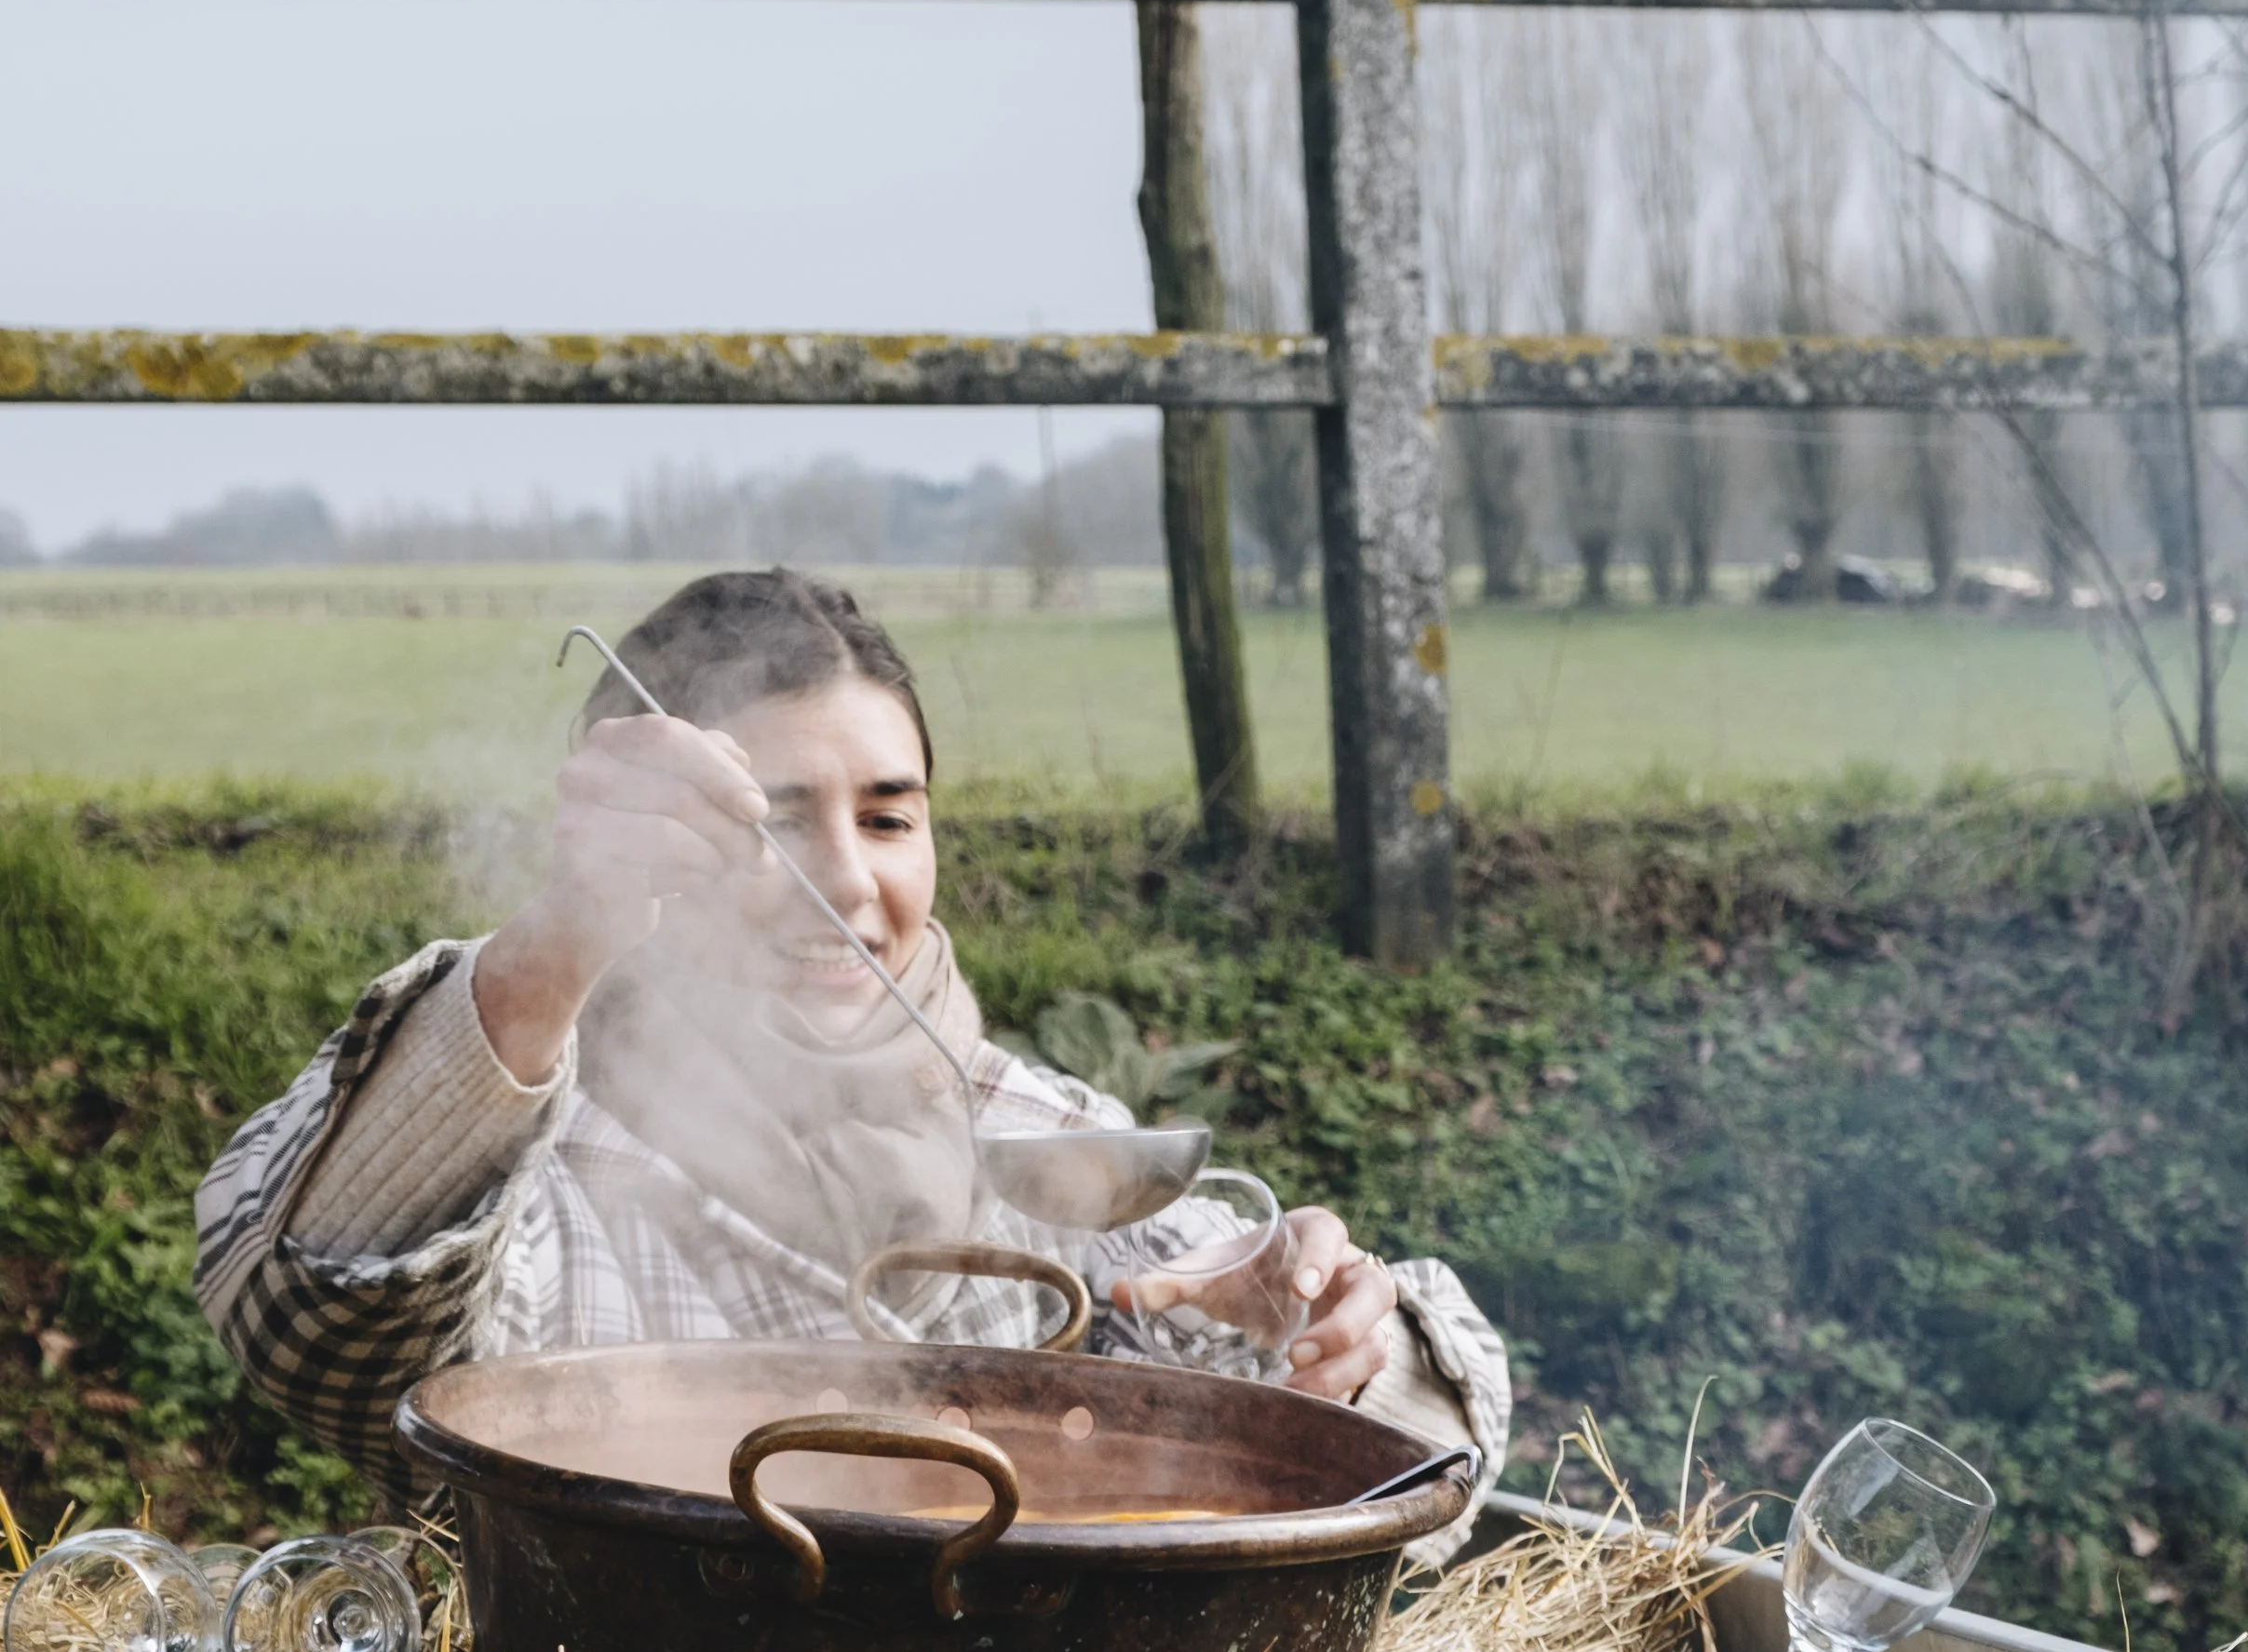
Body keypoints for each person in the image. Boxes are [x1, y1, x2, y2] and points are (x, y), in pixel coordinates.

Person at [196, 570, 1509, 1544]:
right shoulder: (548, 1138)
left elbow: (1414, 1496)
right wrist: (553, 947)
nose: (844, 882)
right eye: (767, 822)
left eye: (888, 817)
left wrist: (1333, 1338)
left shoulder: (1047, 1147)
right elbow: (313, 1334)